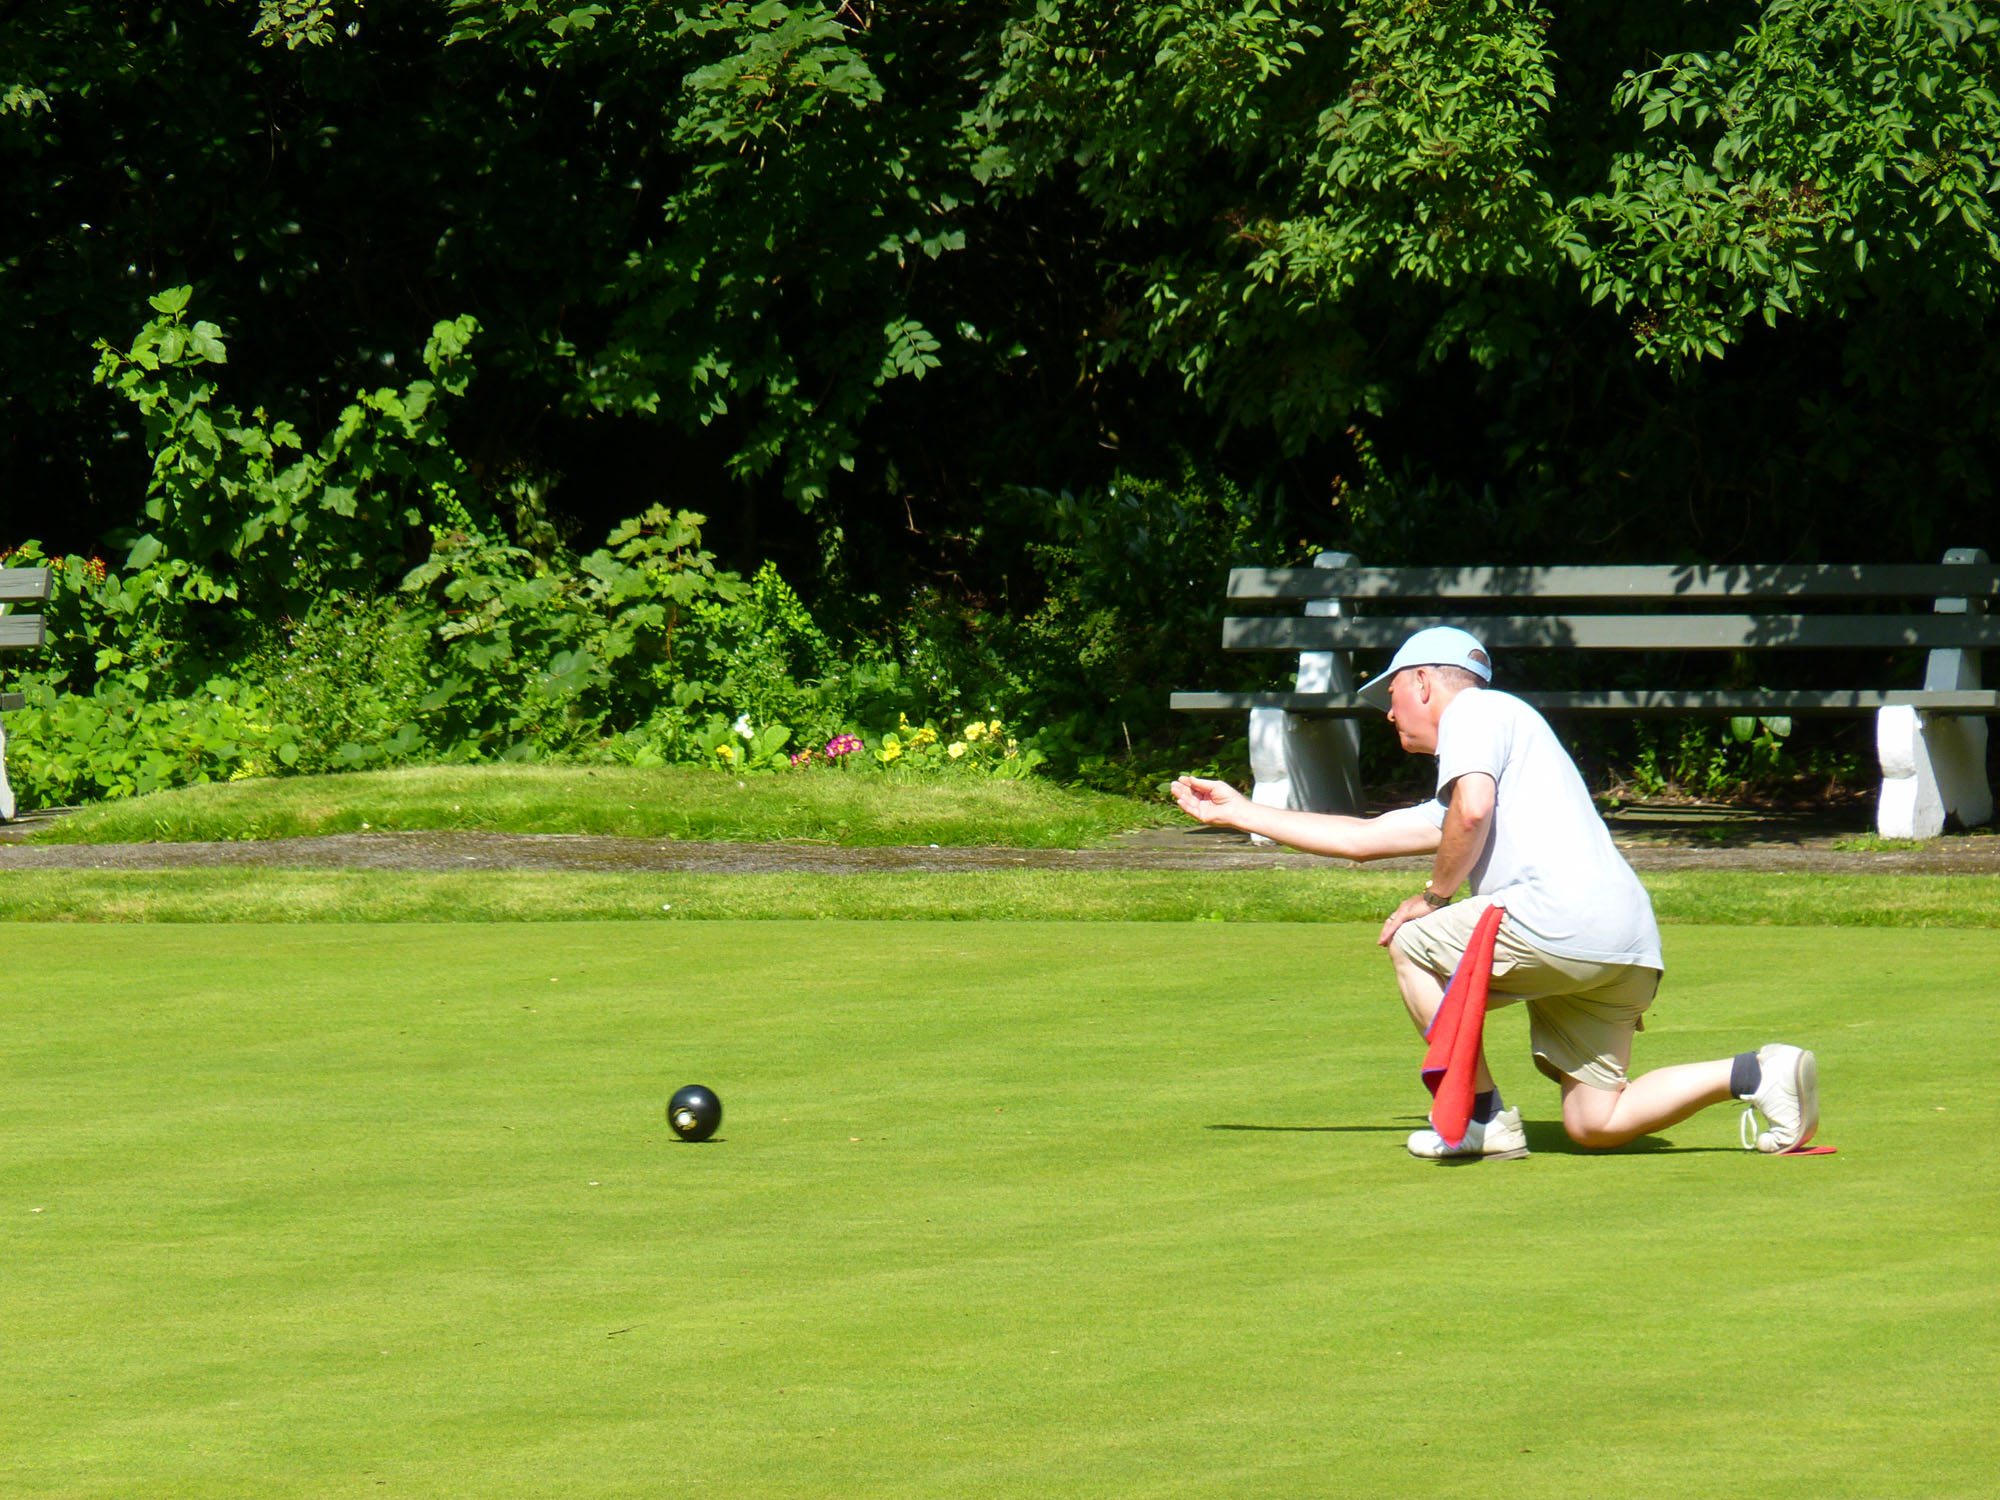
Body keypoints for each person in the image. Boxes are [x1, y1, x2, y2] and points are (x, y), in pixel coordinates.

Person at [1172, 625, 1819, 1161]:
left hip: (1560, 921)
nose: (1390, 712)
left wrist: (1432, 897)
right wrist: (1242, 813)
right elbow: (1367, 837)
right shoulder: (1493, 755)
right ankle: (1756, 1073)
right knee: (1596, 1121)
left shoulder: (1477, 711)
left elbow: (1472, 812)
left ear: (1425, 681)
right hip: (1626, 946)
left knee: (1412, 942)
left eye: (1392, 693)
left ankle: (1481, 1118)